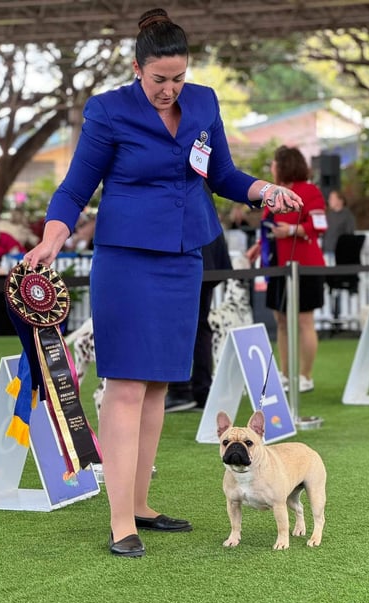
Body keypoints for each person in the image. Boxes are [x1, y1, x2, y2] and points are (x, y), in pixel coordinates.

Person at [23, 7, 303, 559]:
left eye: (178, 78)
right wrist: (52, 238)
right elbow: (75, 187)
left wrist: (262, 189)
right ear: (136, 69)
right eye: (159, 80)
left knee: (156, 388)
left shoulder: (204, 102)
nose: (170, 90)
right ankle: (120, 518)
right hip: (126, 261)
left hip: (183, 259)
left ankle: (143, 504)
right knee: (126, 387)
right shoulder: (108, 112)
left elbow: (220, 174)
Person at [247, 145, 327, 394]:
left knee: (304, 320)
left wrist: (292, 230)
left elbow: (319, 224)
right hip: (278, 265)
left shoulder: (310, 191)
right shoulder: (275, 193)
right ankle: (284, 373)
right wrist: (259, 245)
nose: (271, 167)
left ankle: (305, 375)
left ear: (285, 165)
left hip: (305, 265)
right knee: (280, 319)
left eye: (274, 162)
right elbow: (269, 225)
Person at [165, 231, 232, 412]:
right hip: (207, 256)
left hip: (190, 257)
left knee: (180, 327)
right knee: (200, 324)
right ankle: (200, 390)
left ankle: (181, 390)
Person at [322, 190, 356, 259]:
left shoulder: (347, 216)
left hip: (340, 254)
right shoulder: (328, 215)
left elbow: (349, 235)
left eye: (332, 198)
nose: (329, 201)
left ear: (340, 200)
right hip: (326, 252)